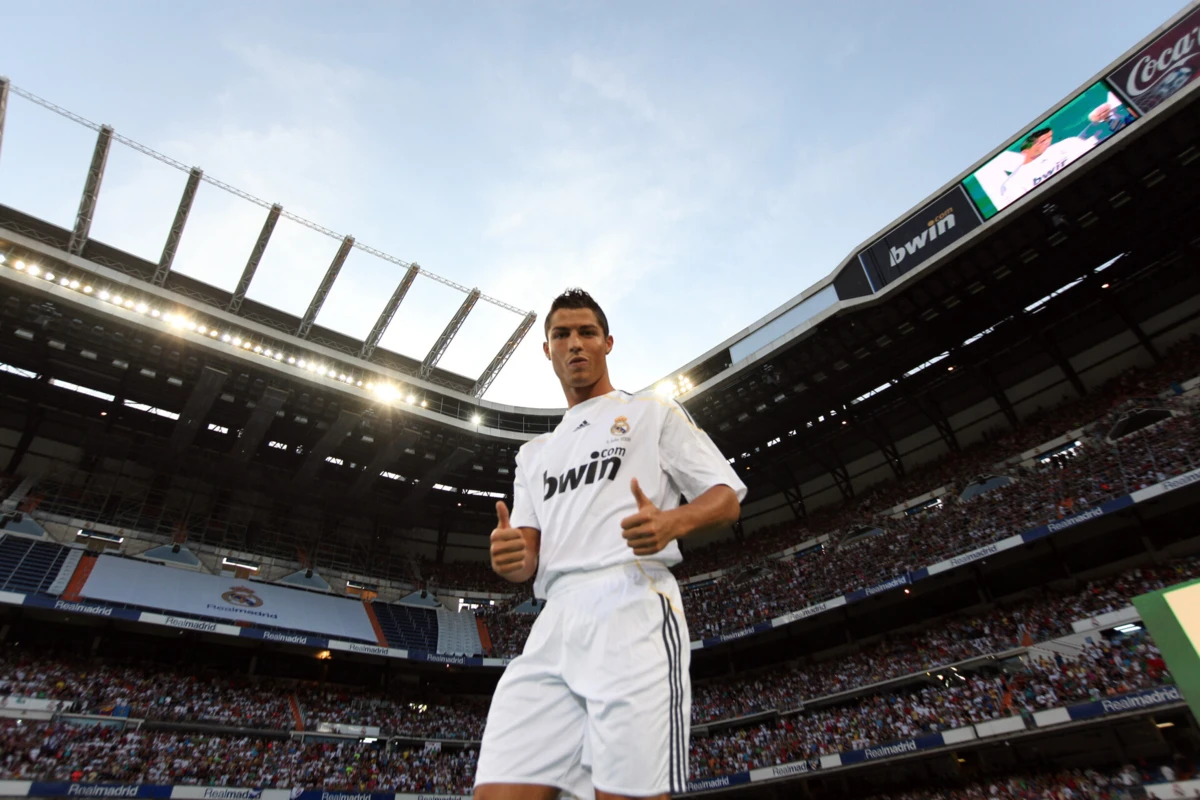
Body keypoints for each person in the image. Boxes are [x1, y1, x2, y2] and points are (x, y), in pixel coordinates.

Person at [473, 289, 746, 800]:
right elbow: (526, 558)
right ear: (547, 349)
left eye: (586, 333)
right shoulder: (534, 455)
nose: (574, 343)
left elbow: (726, 496)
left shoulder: (652, 413)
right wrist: (510, 558)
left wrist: (672, 521)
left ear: (607, 343)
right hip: (553, 621)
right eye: (562, 334)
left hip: (632, 605)